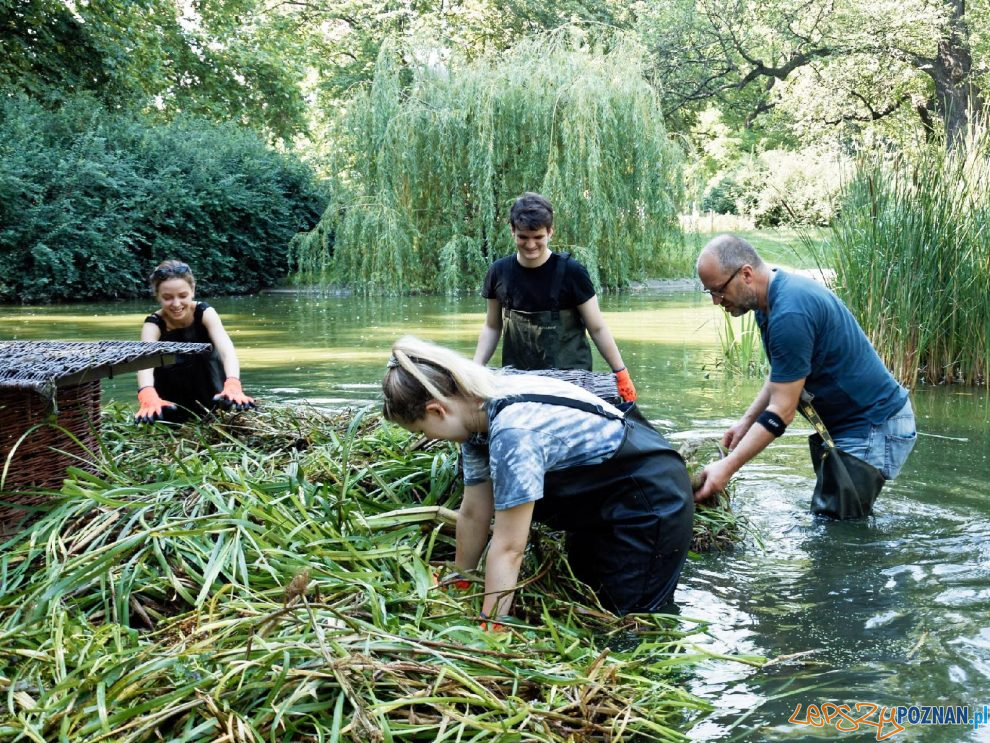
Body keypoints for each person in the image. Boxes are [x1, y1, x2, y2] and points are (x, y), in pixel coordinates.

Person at [382, 335, 694, 621]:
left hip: (648, 500)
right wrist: (461, 580)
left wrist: (490, 627)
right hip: (598, 502)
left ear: (437, 411)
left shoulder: (513, 431)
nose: (430, 437)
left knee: (628, 620)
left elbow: (509, 546)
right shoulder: (476, 415)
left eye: (422, 431)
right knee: (589, 597)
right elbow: (475, 511)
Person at [693, 235, 916, 513]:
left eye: (718, 290)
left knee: (838, 534)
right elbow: (783, 374)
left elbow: (782, 412)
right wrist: (746, 422)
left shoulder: (789, 313)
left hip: (873, 425)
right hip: (856, 425)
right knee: (831, 521)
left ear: (746, 274)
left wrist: (727, 467)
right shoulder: (768, 303)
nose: (716, 301)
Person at [473, 192, 638, 402]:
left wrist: (621, 372)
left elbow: (597, 327)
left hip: (572, 382)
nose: (531, 245)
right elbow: (492, 327)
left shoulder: (573, 272)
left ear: (550, 232)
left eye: (538, 237)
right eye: (523, 237)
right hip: (518, 381)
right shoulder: (499, 272)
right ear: (512, 231)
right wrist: (474, 370)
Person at [135, 260, 256, 423]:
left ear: (192, 290)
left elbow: (227, 350)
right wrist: (147, 393)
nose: (176, 304)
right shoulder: (153, 324)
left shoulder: (205, 313)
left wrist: (233, 382)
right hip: (171, 406)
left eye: (183, 296)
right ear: (157, 296)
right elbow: (145, 362)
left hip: (214, 400)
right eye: (167, 298)